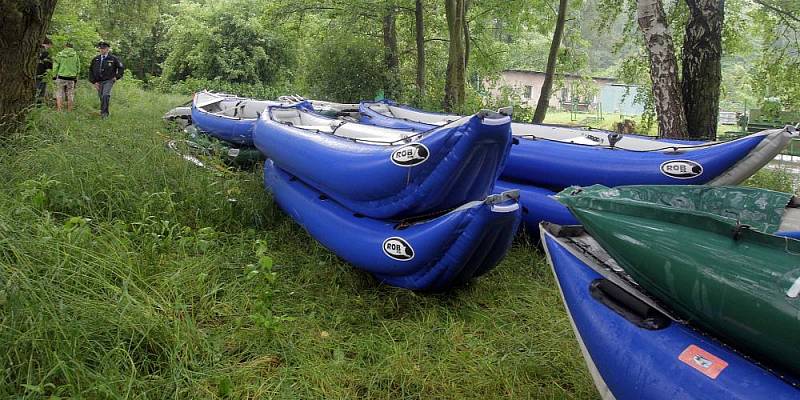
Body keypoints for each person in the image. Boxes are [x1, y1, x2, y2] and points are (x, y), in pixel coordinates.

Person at [88, 41, 124, 118]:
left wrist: (116, 77)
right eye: (100, 48)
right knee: (101, 97)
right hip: (98, 81)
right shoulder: (95, 59)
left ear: (107, 49)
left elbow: (121, 68)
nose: (101, 50)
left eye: (103, 48)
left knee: (105, 95)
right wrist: (94, 82)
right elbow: (90, 70)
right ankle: (103, 111)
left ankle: (104, 114)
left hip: (109, 80)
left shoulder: (113, 58)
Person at [52, 42, 80, 112]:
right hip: (71, 78)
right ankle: (69, 110)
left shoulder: (59, 54)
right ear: (72, 47)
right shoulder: (75, 55)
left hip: (61, 77)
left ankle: (59, 110)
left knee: (59, 93)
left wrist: (54, 75)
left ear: (65, 46)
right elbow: (78, 67)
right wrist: (77, 76)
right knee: (70, 94)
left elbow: (55, 66)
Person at [35, 37, 53, 103]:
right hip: (42, 74)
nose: (50, 47)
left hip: (34, 74)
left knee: (36, 91)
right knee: (40, 92)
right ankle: (38, 107)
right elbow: (48, 65)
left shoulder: (35, 50)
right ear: (48, 44)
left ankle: (34, 106)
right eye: (50, 46)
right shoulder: (45, 53)